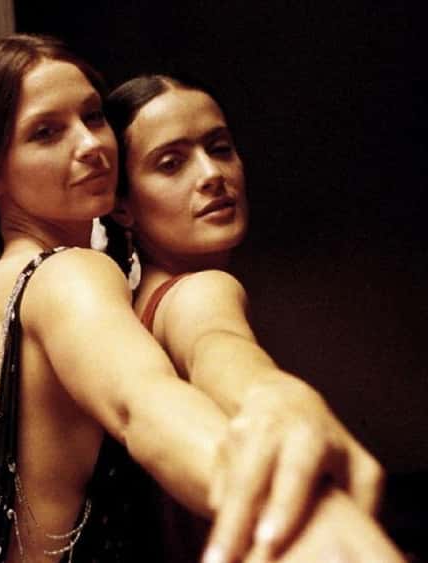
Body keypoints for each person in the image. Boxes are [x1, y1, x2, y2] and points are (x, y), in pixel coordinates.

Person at [0, 35, 403, 563]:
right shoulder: (67, 273)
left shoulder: (3, 283)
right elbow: (144, 403)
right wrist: (285, 503)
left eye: (93, 116)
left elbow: (212, 350)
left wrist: (265, 391)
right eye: (46, 133)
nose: (90, 145)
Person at [104, 74, 390, 561]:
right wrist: (269, 393)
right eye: (171, 163)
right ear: (123, 207)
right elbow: (216, 342)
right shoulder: (196, 293)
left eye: (219, 149)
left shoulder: (128, 315)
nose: (211, 174)